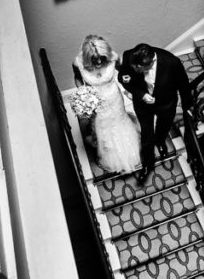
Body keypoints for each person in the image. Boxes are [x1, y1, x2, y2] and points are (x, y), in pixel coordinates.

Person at [118, 43, 192, 183]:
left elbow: (184, 85)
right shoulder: (129, 56)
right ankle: (147, 165)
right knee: (146, 135)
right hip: (143, 105)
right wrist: (141, 94)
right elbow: (122, 78)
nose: (135, 69)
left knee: (164, 126)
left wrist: (187, 107)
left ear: (151, 62)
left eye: (138, 68)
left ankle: (160, 141)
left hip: (166, 103)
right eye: (134, 67)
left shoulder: (172, 62)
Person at [73, 35, 142, 174]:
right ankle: (108, 154)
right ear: (87, 57)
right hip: (96, 103)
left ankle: (128, 153)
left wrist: (129, 83)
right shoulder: (77, 63)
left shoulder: (113, 57)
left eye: (102, 58)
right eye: (94, 59)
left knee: (119, 122)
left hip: (114, 98)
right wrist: (83, 93)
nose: (99, 61)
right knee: (102, 127)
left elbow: (124, 72)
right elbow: (78, 79)